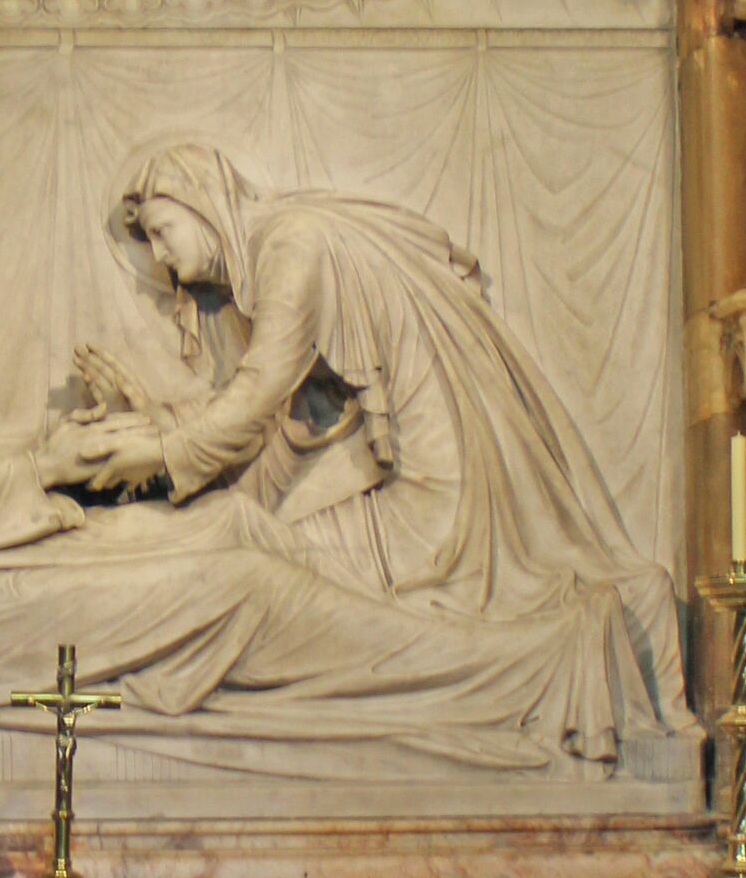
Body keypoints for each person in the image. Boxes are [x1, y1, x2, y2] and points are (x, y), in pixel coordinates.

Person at [0, 226, 644, 787]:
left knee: (234, 525)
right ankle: (506, 673)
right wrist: (41, 465)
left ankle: (469, 637)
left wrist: (69, 453)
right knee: (240, 583)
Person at [75, 143, 685, 769]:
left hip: (444, 515)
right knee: (250, 551)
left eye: (161, 231)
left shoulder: (292, 245)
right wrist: (155, 425)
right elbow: (280, 423)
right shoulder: (286, 248)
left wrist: (160, 455)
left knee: (263, 585)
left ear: (202, 202)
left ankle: (559, 652)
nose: (162, 258)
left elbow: (256, 395)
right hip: (433, 498)